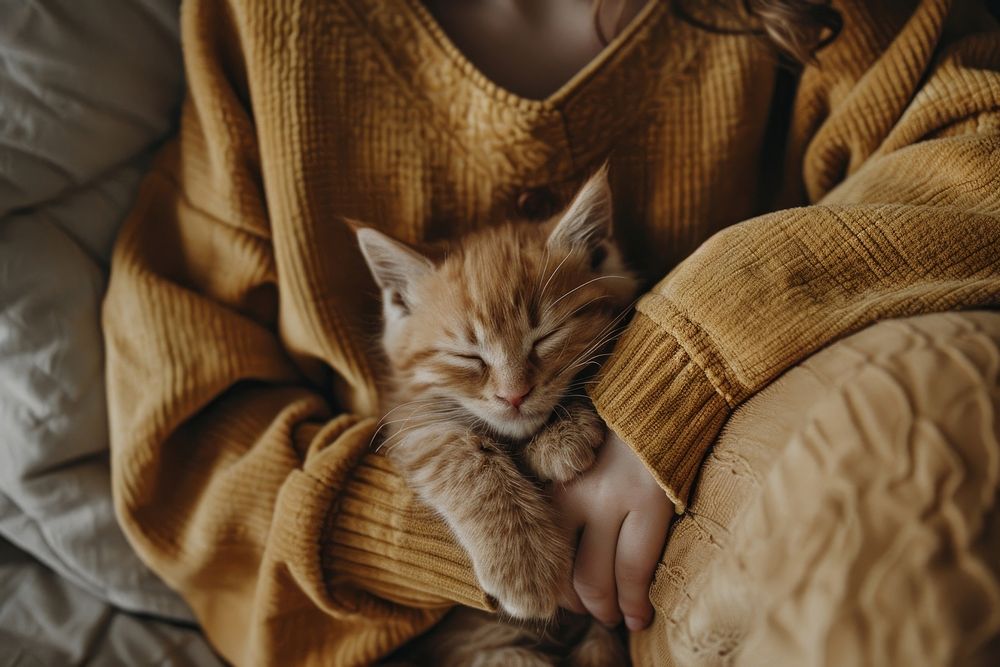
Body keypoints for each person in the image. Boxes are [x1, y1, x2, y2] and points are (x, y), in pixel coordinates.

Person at [102, 0, 1000, 664]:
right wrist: (457, 516)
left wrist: (680, 370)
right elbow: (183, 442)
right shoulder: (271, 25)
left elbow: (980, 140)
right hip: (424, 613)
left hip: (736, 484)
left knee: (932, 416)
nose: (510, 386)